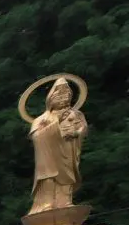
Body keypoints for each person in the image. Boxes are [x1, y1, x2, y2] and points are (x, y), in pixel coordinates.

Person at [28, 77, 88, 214]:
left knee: (68, 175)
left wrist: (76, 133)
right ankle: (47, 203)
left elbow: (83, 128)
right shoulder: (42, 118)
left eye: (66, 96)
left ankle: (65, 202)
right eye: (59, 96)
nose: (63, 99)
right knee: (49, 177)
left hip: (68, 149)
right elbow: (36, 136)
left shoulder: (76, 114)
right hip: (49, 154)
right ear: (51, 99)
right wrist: (56, 123)